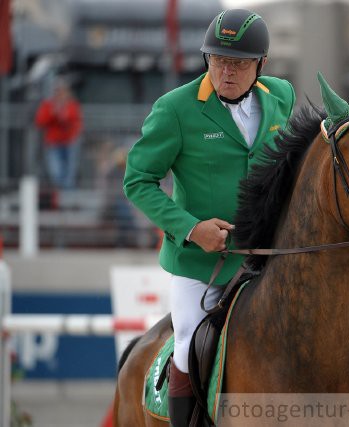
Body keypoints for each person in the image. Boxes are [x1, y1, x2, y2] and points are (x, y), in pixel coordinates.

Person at [123, 9, 295, 426]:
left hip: (266, 257)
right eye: (217, 60)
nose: (226, 71)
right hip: (202, 265)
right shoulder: (176, 110)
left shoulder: (281, 96)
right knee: (187, 345)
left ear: (261, 66)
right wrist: (190, 229)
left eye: (238, 63)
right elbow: (138, 181)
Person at [34, 79, 83, 190]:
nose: (60, 94)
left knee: (70, 172)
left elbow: (76, 121)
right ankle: (59, 193)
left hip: (69, 142)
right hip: (54, 143)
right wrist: (53, 114)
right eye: (58, 91)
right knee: (56, 171)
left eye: (62, 91)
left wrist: (64, 116)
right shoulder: (48, 105)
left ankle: (68, 196)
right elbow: (40, 121)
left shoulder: (72, 105)